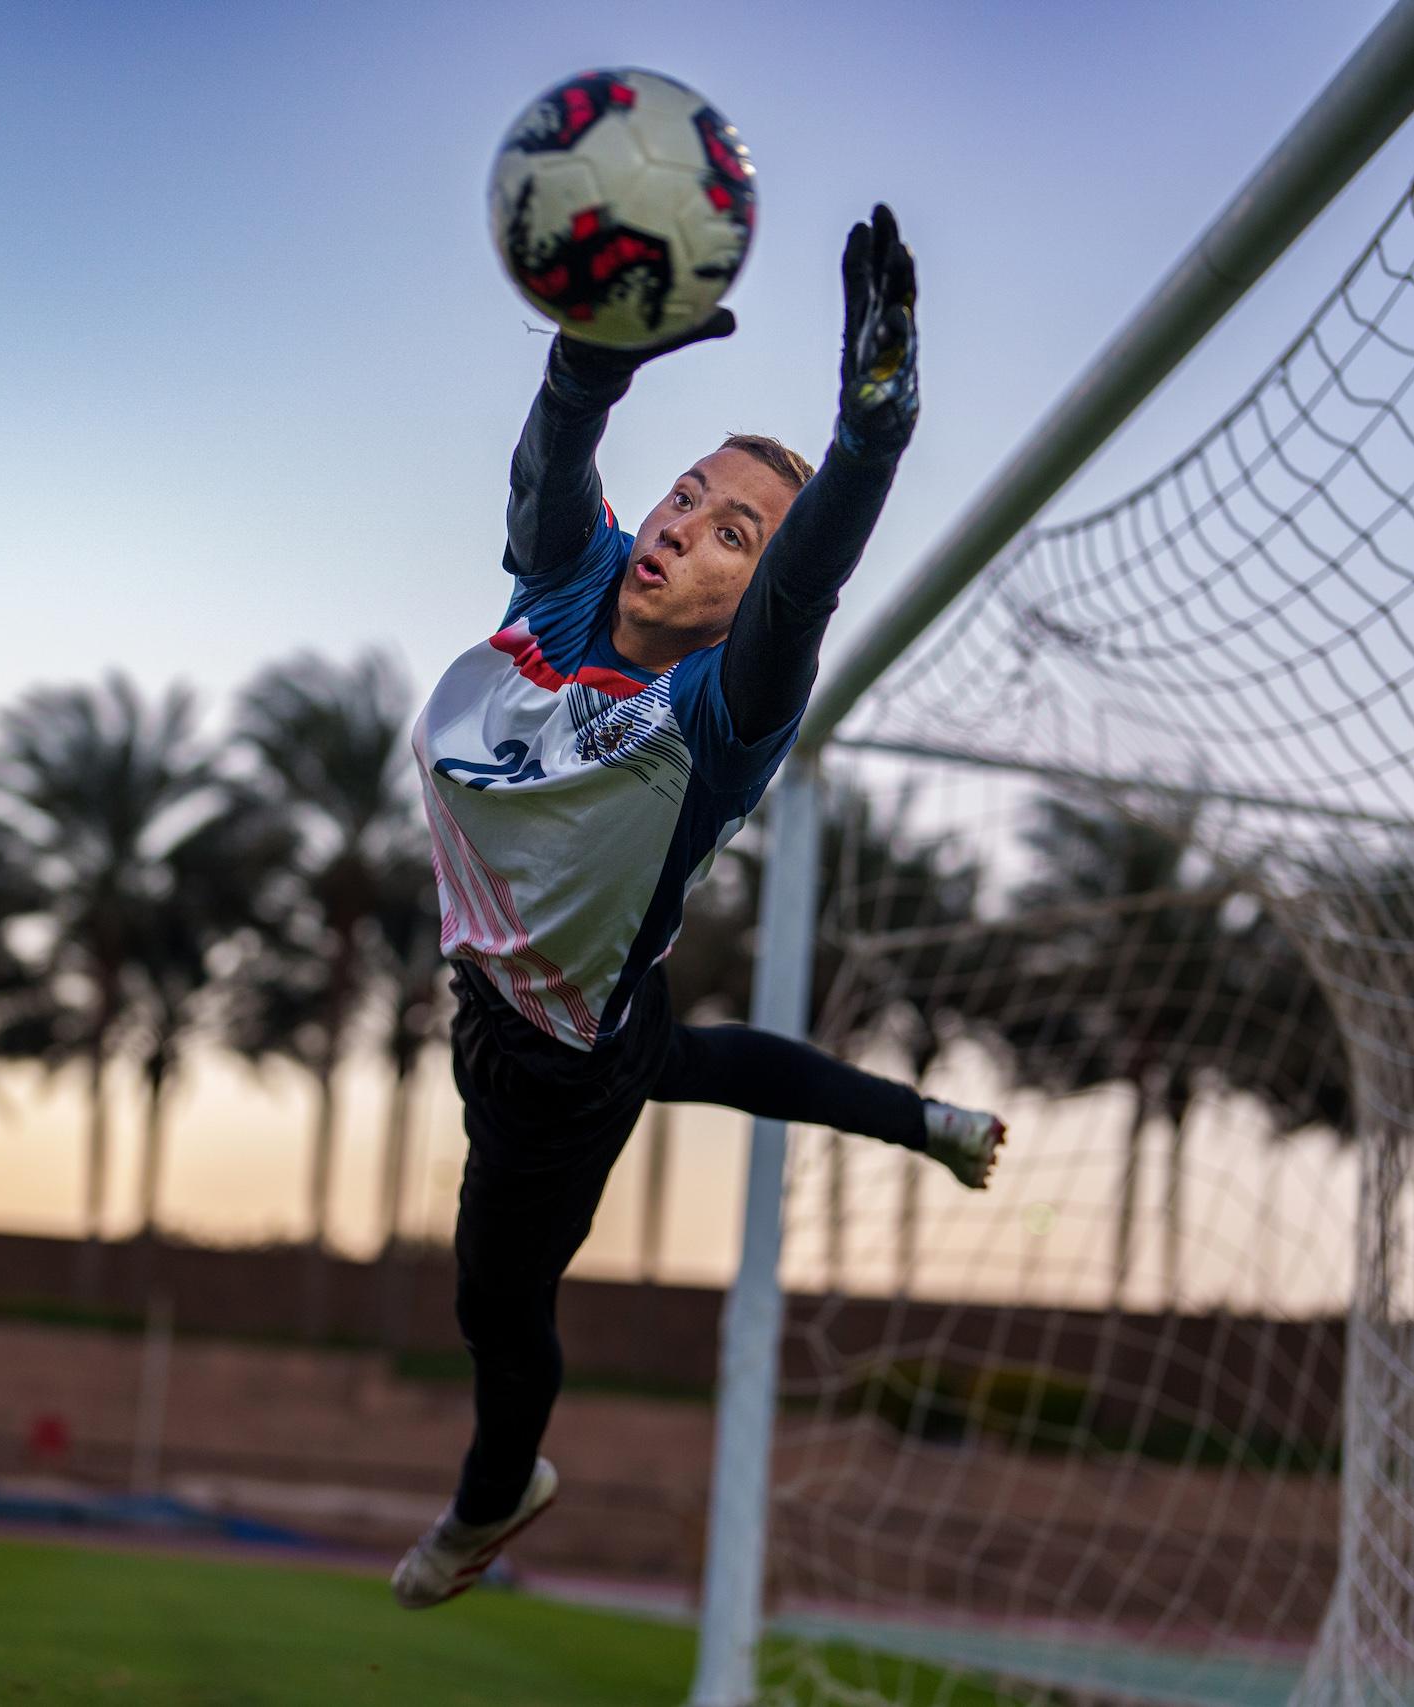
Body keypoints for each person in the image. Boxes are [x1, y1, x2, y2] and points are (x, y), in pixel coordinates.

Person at [394, 206, 1006, 1610]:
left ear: (749, 595)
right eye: (686, 494)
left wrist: (870, 443)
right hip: (575, 999)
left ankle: (494, 1496)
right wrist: (589, 359)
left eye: (734, 535)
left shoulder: (716, 713)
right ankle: (925, 1120)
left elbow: (804, 592)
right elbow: (555, 465)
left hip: (554, 1063)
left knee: (496, 1301)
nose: (681, 525)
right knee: (690, 1058)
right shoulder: (570, 581)